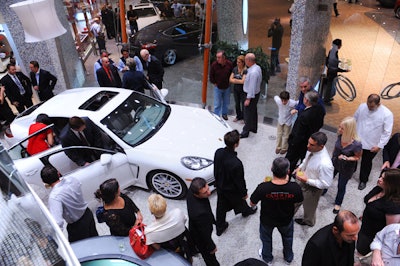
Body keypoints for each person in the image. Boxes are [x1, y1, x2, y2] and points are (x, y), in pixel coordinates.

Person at [250, 157, 303, 265]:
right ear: (288, 171)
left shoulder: (263, 187)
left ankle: (267, 258)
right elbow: (299, 200)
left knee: (266, 239)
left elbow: (252, 203)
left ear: (271, 169)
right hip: (286, 219)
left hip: (267, 220)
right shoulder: (295, 188)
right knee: (288, 238)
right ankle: (288, 258)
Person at [214, 130, 257, 236]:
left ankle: (220, 227)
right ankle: (246, 212)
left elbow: (216, 169)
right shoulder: (236, 163)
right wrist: (244, 193)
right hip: (232, 189)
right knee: (240, 201)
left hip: (220, 185)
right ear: (236, 144)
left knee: (221, 207)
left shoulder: (218, 152)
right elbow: (240, 181)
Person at [40, 165, 98, 242]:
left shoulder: (54, 197)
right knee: (95, 239)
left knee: (80, 248)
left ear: (45, 182)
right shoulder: (72, 179)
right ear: (58, 173)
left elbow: (58, 222)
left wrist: (54, 237)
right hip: (87, 214)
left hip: (77, 226)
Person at [356, 168, 400, 257]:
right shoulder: (379, 188)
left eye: (383, 179)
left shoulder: (393, 206)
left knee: (363, 256)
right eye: (381, 176)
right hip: (365, 228)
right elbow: (370, 204)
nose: (379, 179)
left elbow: (389, 230)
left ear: (392, 184)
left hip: (373, 236)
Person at [294, 131, 334, 227]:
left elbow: (326, 184)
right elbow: (306, 159)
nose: (308, 146)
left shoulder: (325, 164)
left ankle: (308, 222)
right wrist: (300, 167)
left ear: (321, 146)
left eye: (311, 144)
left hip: (312, 188)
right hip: (302, 180)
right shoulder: (312, 149)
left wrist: (307, 180)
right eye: (308, 142)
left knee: (309, 208)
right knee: (294, 200)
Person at [354, 94, 393, 190]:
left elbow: (387, 132)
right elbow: (354, 119)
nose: (369, 108)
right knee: (354, 157)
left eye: (371, 106)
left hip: (372, 143)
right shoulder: (362, 106)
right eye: (368, 105)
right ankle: (350, 171)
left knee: (366, 163)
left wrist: (380, 146)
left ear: (378, 104)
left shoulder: (387, 114)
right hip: (357, 139)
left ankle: (363, 180)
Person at [145, 194, 194, 262]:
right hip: (183, 244)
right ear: (166, 205)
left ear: (151, 212)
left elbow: (157, 247)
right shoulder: (178, 213)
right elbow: (184, 221)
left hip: (172, 253)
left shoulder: (149, 232)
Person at [286, 90, 325, 173]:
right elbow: (321, 124)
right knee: (305, 159)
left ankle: (286, 177)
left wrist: (292, 142)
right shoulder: (320, 110)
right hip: (310, 140)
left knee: (290, 161)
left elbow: (298, 133)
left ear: (306, 100)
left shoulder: (304, 115)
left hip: (299, 143)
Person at [331, 117, 362, 214]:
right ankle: (323, 191)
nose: (339, 130)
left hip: (346, 167)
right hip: (336, 161)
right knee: (328, 177)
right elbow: (335, 149)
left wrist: (347, 158)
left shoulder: (356, 144)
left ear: (349, 130)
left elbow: (357, 157)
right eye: (339, 127)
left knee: (341, 185)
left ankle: (338, 203)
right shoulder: (340, 136)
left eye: (342, 128)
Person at [187, 177, 220, 266]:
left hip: (195, 225)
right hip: (200, 236)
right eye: (205, 192)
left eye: (208, 188)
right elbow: (204, 234)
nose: (209, 192)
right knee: (210, 258)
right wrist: (211, 246)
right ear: (196, 194)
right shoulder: (200, 214)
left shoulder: (191, 191)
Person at [240, 53, 262, 138]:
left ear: (249, 60)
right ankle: (253, 127)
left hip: (251, 94)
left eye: (245, 59)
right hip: (255, 94)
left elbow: (252, 86)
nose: (245, 61)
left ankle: (245, 131)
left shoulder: (253, 72)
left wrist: (248, 98)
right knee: (253, 111)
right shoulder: (257, 67)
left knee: (247, 113)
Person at [210, 50, 233, 121]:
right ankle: (216, 115)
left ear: (224, 58)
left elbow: (232, 73)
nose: (217, 59)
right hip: (218, 87)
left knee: (226, 102)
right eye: (217, 57)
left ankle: (224, 114)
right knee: (217, 103)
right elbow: (211, 76)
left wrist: (230, 82)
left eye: (219, 57)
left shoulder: (229, 64)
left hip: (227, 87)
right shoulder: (214, 65)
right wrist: (214, 83)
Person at [324, 39, 349, 105]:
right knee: (330, 87)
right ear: (339, 46)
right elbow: (333, 66)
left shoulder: (333, 51)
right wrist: (344, 70)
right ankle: (326, 100)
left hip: (331, 71)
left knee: (331, 86)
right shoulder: (334, 52)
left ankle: (328, 97)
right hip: (332, 73)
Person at [229, 55, 247, 123]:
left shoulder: (245, 70)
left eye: (239, 62)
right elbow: (230, 79)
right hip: (236, 89)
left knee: (243, 104)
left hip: (243, 90)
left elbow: (243, 81)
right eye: (237, 62)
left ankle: (243, 117)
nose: (237, 63)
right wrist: (237, 81)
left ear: (242, 63)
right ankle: (238, 116)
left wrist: (235, 80)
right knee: (237, 103)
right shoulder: (235, 69)